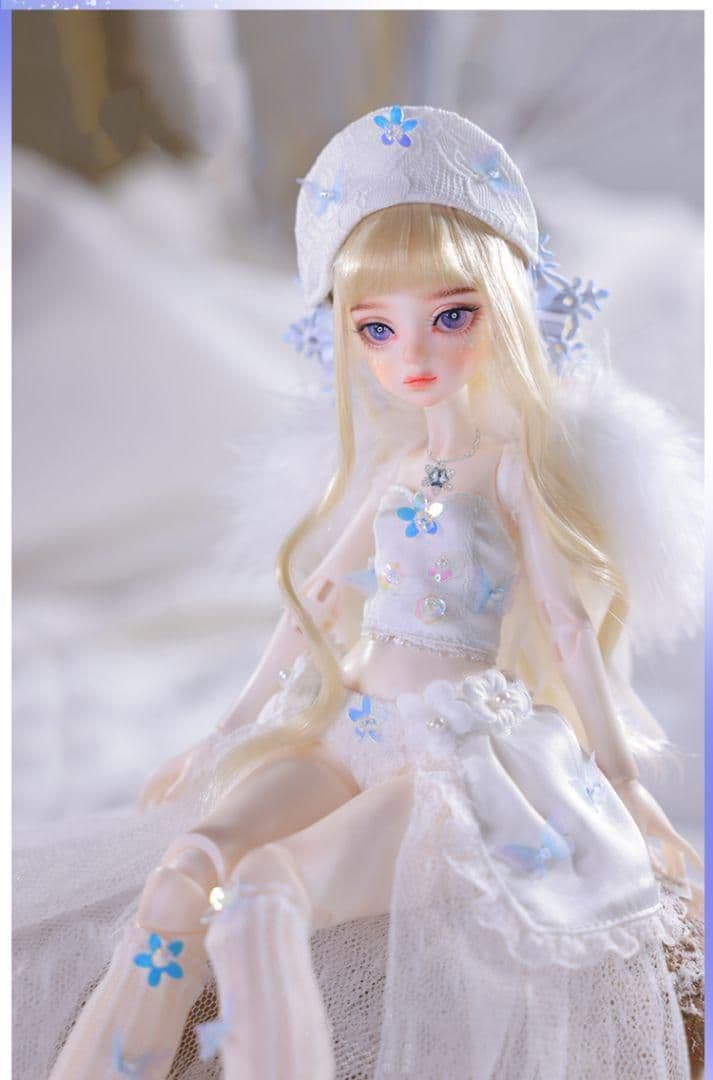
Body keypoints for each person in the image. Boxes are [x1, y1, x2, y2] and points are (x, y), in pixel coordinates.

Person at [41, 105, 702, 1079]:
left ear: (502, 311)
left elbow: (566, 628)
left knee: (265, 894)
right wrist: (223, 731)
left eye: (450, 316)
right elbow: (316, 599)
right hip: (351, 729)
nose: (413, 356)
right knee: (182, 876)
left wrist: (624, 784)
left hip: (446, 750)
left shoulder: (506, 469)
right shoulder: (393, 475)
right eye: (377, 329)